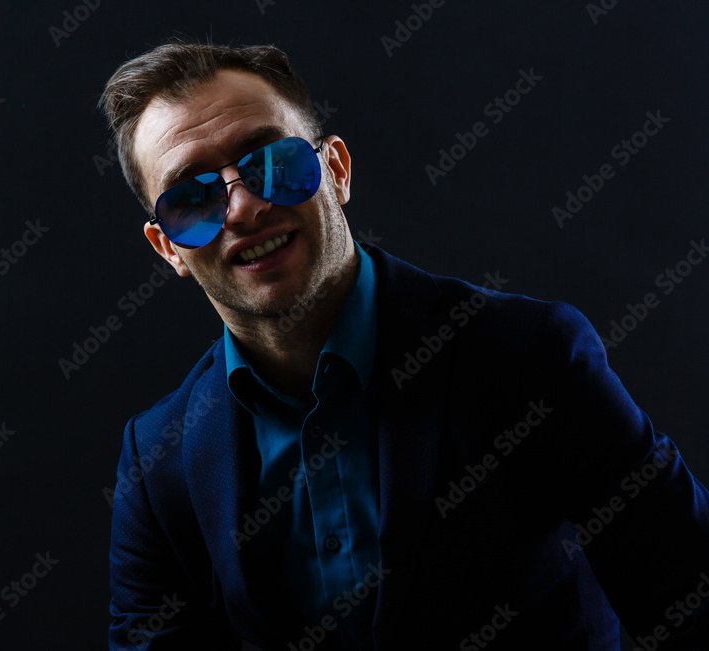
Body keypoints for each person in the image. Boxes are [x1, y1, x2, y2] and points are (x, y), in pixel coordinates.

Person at [99, 41, 709, 650]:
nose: (244, 207)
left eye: (271, 162)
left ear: (336, 172)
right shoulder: (159, 460)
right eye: (192, 198)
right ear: (167, 246)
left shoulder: (529, 358)